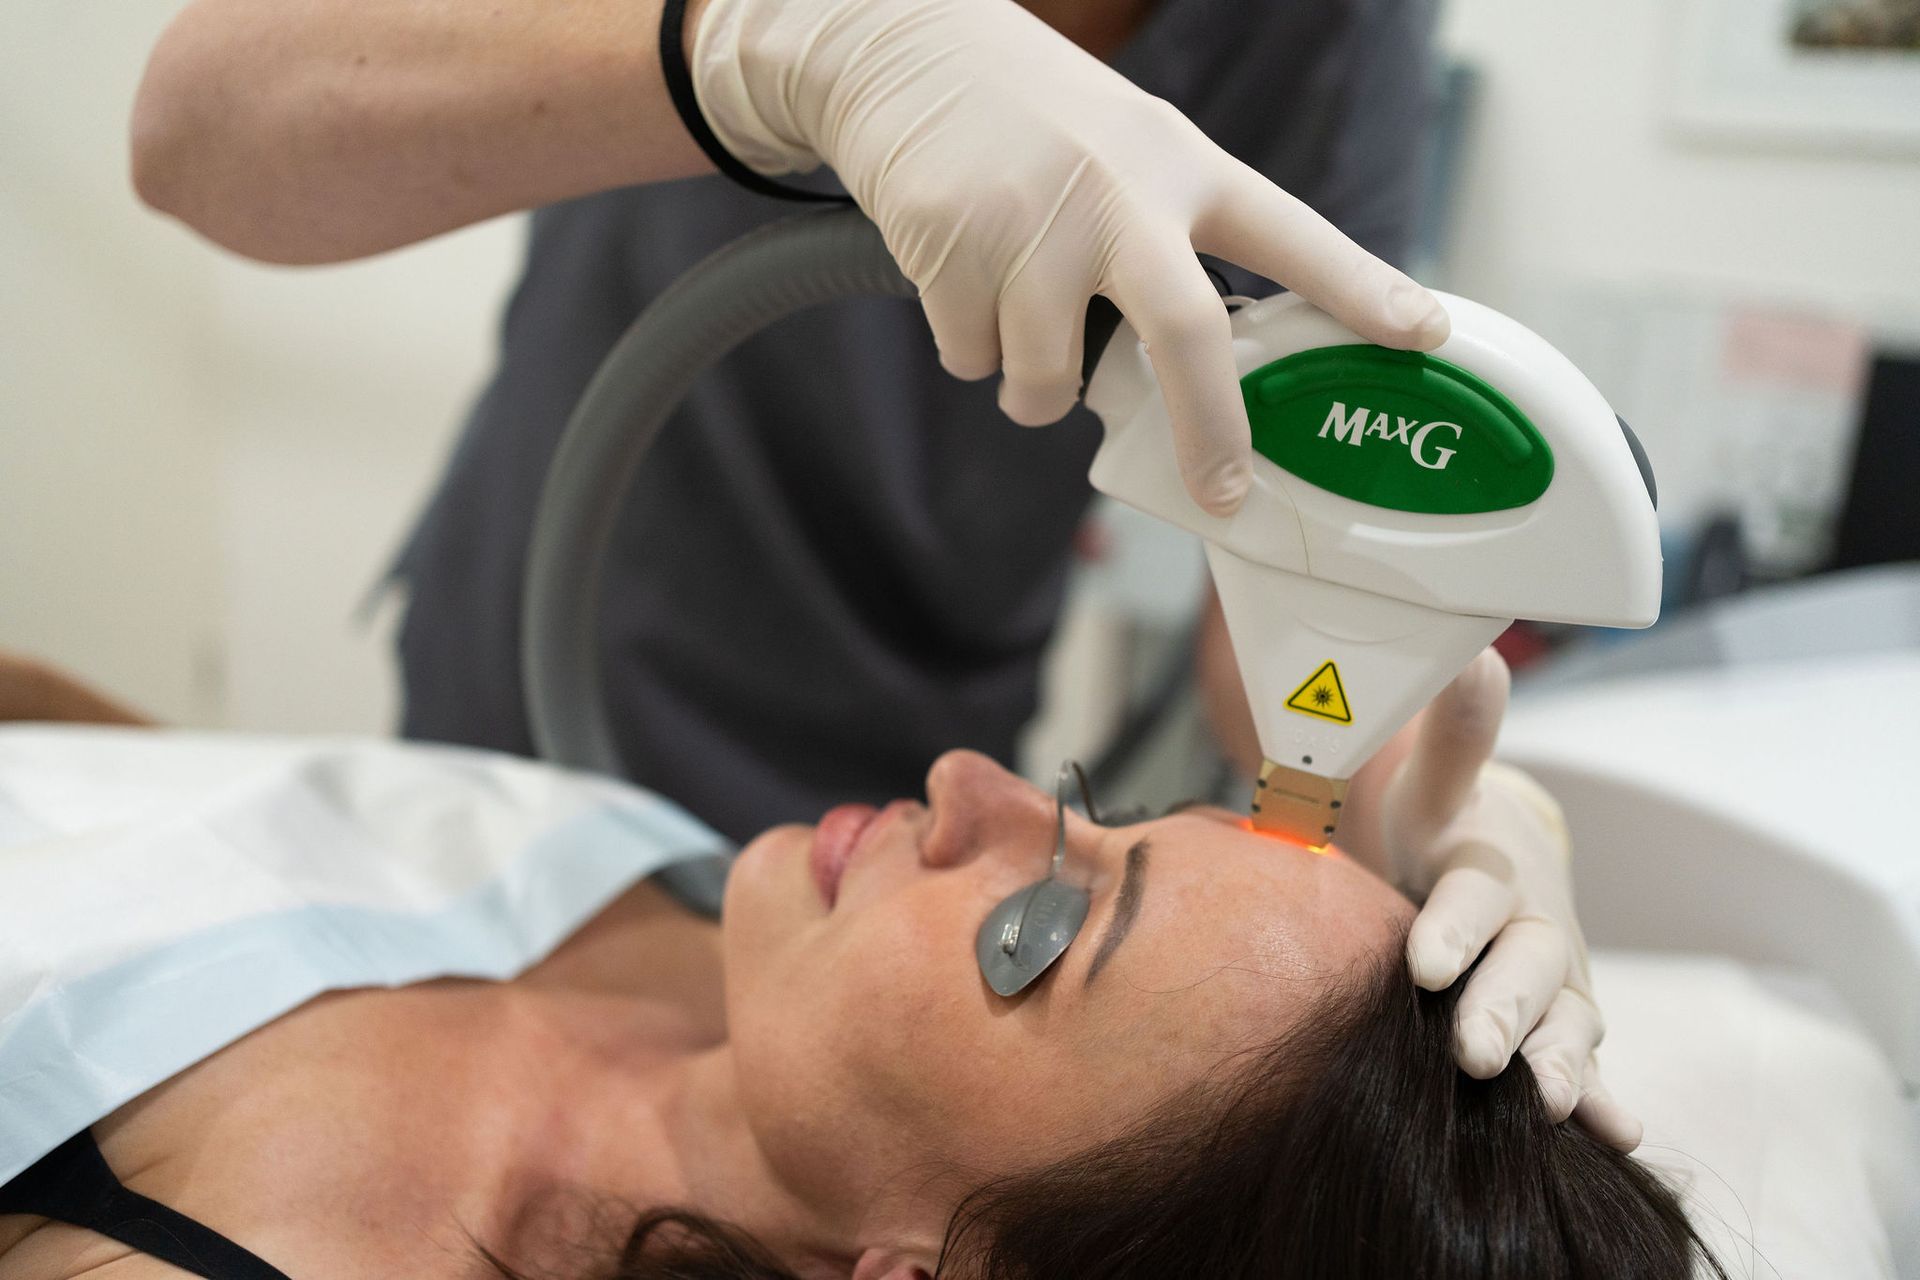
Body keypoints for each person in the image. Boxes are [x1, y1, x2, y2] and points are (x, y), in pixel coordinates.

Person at [127, 0, 1622, 1177]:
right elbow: (199, 130)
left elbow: (1289, 612)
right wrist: (768, 43)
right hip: (558, 646)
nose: (1006, 795)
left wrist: (1447, 802)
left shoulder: (1327, 31)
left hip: (893, 802)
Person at [0, 658, 1719, 1279]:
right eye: (1107, 819)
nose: (969, 787)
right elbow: (217, 834)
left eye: (1037, 934)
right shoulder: (743, 973)